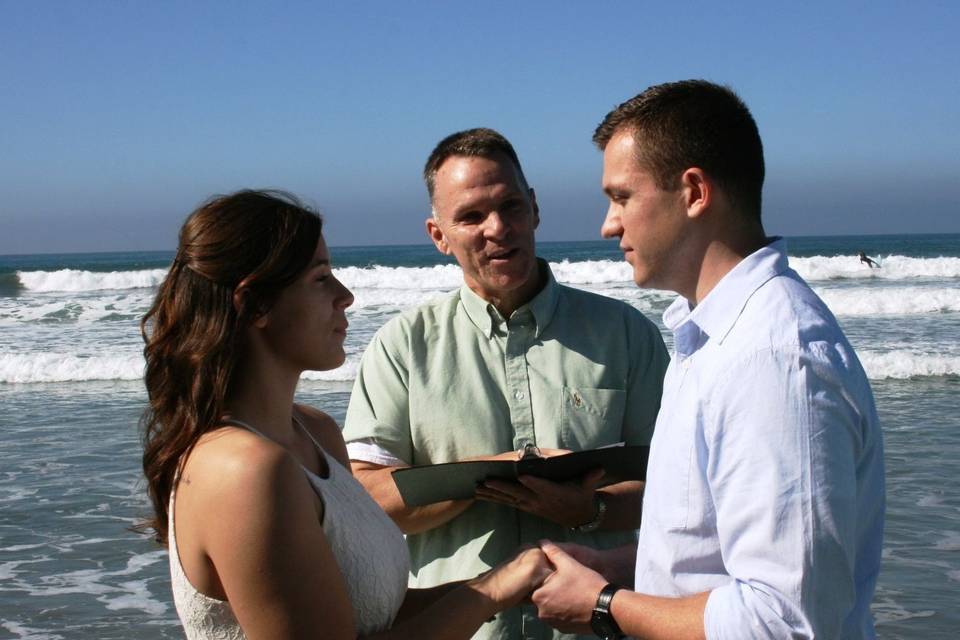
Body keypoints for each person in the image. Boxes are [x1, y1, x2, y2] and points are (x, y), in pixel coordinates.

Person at [531, 80, 885, 639]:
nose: (607, 224)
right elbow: (715, 558)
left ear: (694, 192)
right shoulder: (713, 338)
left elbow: (783, 621)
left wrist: (603, 604)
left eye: (622, 196)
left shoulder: (770, 358)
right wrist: (622, 569)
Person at [139, 189, 552, 639]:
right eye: (321, 278)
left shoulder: (313, 431)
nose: (346, 296)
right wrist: (489, 593)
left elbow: (370, 610)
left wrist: (510, 580)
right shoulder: (243, 469)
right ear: (254, 304)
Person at [342, 128, 669, 639]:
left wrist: (593, 510)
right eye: (471, 217)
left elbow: (684, 491)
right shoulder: (401, 346)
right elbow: (365, 504)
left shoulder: (627, 335)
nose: (498, 228)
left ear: (535, 209)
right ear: (438, 236)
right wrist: (480, 478)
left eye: (511, 206)